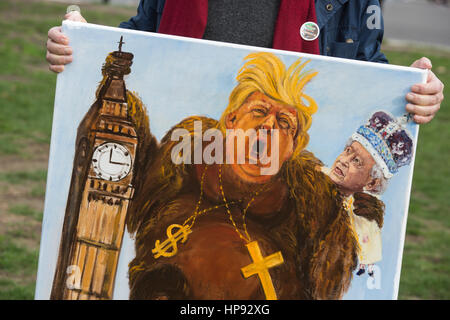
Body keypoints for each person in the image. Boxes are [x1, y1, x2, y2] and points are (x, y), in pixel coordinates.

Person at [125, 52, 358, 300]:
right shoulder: (185, 164)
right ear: (231, 120)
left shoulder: (307, 212)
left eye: (284, 122)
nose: (268, 125)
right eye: (259, 111)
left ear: (292, 147)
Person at [46, 0, 444, 125]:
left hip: (280, 178)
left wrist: (414, 92)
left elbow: (366, 67)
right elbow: (143, 38)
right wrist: (82, 46)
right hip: (185, 158)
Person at [324, 111, 414, 278]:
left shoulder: (360, 221)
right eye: (347, 151)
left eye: (356, 161)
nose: (344, 160)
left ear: (372, 183)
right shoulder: (306, 177)